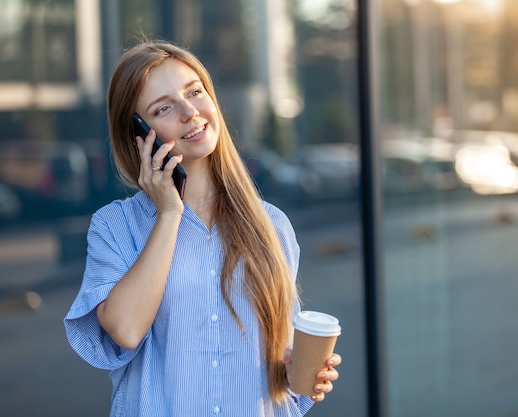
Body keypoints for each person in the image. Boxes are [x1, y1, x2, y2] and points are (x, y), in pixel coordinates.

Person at [63, 40, 341, 417]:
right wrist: (168, 214)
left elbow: (280, 360)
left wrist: (294, 372)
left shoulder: (271, 224)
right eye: (163, 108)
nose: (189, 111)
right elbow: (125, 329)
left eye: (194, 92)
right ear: (139, 134)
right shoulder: (115, 226)